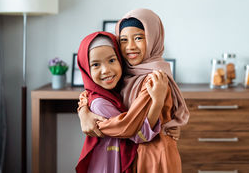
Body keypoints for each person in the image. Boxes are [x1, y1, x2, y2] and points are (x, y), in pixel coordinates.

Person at [78, 9, 190, 172]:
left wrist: (157, 102)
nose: (130, 47)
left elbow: (133, 128)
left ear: (153, 38)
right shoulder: (127, 73)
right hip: (136, 153)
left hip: (152, 155)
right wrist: (83, 111)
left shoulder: (154, 79)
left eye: (138, 38)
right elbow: (93, 92)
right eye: (123, 40)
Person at [75, 31, 169, 173]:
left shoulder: (118, 90)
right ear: (86, 70)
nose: (106, 70)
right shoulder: (100, 104)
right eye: (95, 65)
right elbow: (138, 134)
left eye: (112, 60)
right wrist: (158, 102)